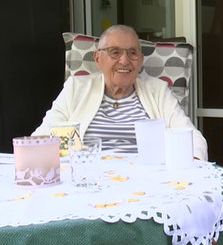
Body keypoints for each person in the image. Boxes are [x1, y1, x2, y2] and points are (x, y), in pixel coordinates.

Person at [33, 24, 208, 160]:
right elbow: (42, 137)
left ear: (140, 60)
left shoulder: (157, 90)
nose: (124, 61)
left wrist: (190, 166)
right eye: (114, 52)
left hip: (146, 182)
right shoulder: (76, 89)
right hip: (89, 180)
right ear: (97, 58)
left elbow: (192, 138)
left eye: (132, 53)